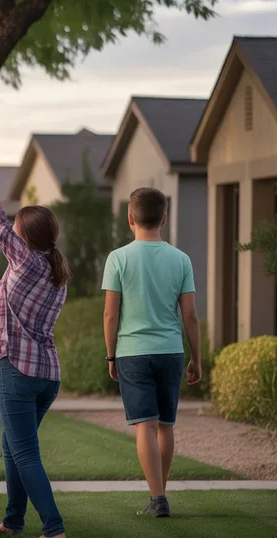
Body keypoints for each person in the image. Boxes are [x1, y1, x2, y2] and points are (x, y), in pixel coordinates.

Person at [0, 132, 69, 538]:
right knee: (13, 448)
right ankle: (13, 520)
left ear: (24, 237)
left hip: (21, 372)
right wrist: (0, 377)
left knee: (24, 453)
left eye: (15, 229)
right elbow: (22, 328)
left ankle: (54, 528)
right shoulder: (56, 270)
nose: (8, 231)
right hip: (43, 376)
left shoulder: (25, 261)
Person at [102, 187, 201, 518]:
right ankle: (160, 494)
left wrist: (111, 354)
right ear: (164, 217)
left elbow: (110, 314)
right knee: (166, 424)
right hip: (171, 351)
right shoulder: (181, 259)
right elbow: (189, 315)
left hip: (132, 352)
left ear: (130, 218)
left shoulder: (118, 258)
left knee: (144, 425)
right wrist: (196, 357)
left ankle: (157, 498)